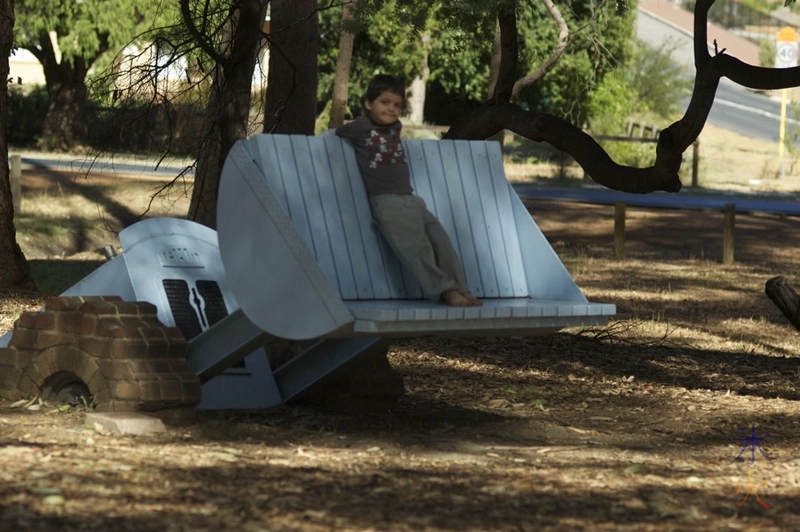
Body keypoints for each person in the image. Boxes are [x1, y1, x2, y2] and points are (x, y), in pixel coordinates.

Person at [335, 74, 482, 307]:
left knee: (442, 243)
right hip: (388, 203)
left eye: (397, 105)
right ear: (368, 103)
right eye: (384, 102)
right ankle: (446, 291)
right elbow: (338, 133)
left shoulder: (396, 126)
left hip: (411, 200)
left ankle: (461, 288)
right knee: (418, 249)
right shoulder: (361, 127)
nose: (391, 109)